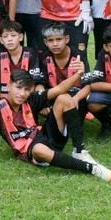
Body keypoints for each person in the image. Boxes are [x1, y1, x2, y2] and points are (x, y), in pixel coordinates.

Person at [0, 70, 111, 182]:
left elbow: (59, 89)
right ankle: (92, 169)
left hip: (46, 135)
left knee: (64, 98)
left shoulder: (31, 99)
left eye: (26, 89)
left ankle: (79, 150)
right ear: (9, 85)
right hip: (30, 148)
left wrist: (77, 75)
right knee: (39, 150)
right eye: (18, 87)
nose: (22, 93)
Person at [35, 22, 96, 162]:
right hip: (53, 97)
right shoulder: (44, 57)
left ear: (67, 39)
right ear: (45, 42)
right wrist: (42, 101)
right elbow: (39, 84)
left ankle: (76, 138)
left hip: (76, 97)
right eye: (50, 40)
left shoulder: (79, 56)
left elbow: (88, 86)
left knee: (80, 102)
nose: (55, 44)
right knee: (36, 97)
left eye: (59, 39)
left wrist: (74, 101)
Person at [0, 20, 41, 101]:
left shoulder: (31, 53)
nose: (9, 39)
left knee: (39, 88)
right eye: (5, 36)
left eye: (13, 35)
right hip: (7, 99)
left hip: (26, 97)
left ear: (21, 37)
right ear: (1, 40)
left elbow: (33, 83)